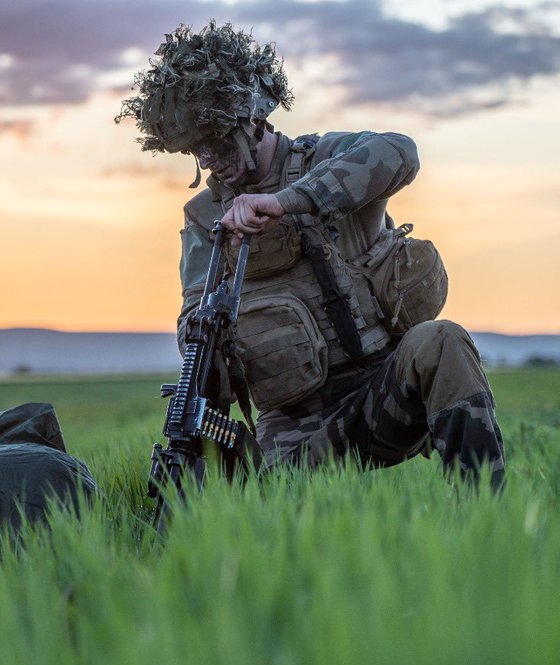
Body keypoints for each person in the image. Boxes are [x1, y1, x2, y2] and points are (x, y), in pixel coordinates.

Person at [117, 21, 505, 488]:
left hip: (390, 386)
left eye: (217, 141)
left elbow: (400, 153)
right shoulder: (206, 219)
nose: (209, 161)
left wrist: (287, 202)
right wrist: (212, 316)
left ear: (253, 118)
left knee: (443, 340)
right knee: (266, 521)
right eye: (196, 150)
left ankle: (482, 515)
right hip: (298, 427)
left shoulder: (326, 156)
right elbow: (191, 323)